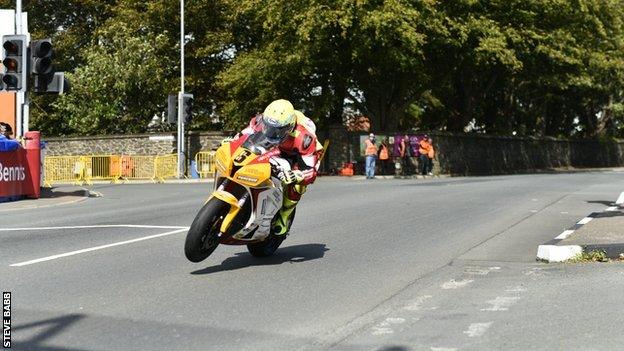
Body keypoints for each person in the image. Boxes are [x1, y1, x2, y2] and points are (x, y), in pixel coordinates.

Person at [230, 99, 324, 236]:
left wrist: (299, 175)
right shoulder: (261, 120)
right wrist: (231, 142)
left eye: (278, 130)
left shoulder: (304, 138)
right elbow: (243, 135)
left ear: (290, 127)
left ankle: (285, 216)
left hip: (298, 154)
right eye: (269, 127)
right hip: (274, 146)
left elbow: (312, 170)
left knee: (298, 185)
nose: (272, 132)